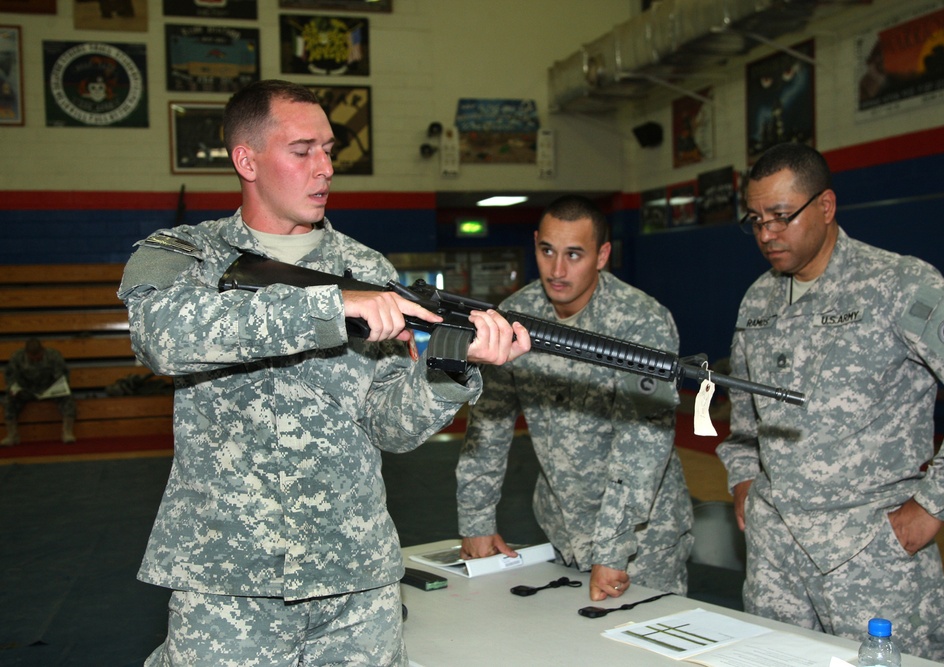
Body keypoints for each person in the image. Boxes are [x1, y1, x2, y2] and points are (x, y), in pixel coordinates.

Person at [117, 79, 529, 666]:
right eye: (303, 150)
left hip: (356, 581)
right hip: (228, 584)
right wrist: (330, 308)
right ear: (247, 160)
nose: (325, 168)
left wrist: (449, 366)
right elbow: (163, 337)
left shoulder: (366, 267)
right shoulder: (187, 253)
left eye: (330, 150)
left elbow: (389, 426)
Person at [716, 142, 944, 661]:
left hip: (872, 557)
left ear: (825, 206)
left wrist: (932, 505)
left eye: (781, 217)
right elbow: (744, 406)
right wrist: (742, 477)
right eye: (754, 220)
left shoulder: (896, 284)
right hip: (776, 561)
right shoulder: (758, 298)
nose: (766, 234)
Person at [456, 195, 694, 601]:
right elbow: (489, 424)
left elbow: (642, 444)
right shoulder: (515, 317)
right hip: (560, 530)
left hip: (641, 542)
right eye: (547, 251)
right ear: (535, 244)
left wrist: (613, 547)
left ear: (603, 255)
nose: (558, 270)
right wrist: (476, 520)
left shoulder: (641, 322)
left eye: (574, 255)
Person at [2, 338, 76, 445]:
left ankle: (67, 432)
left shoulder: (53, 356)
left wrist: (59, 388)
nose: (36, 360)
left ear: (43, 351)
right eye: (33, 358)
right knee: (9, 400)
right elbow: (10, 377)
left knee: (68, 398)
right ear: (26, 353)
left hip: (49, 390)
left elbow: (62, 377)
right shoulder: (17, 357)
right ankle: (12, 435)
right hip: (26, 391)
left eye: (39, 357)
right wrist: (14, 389)